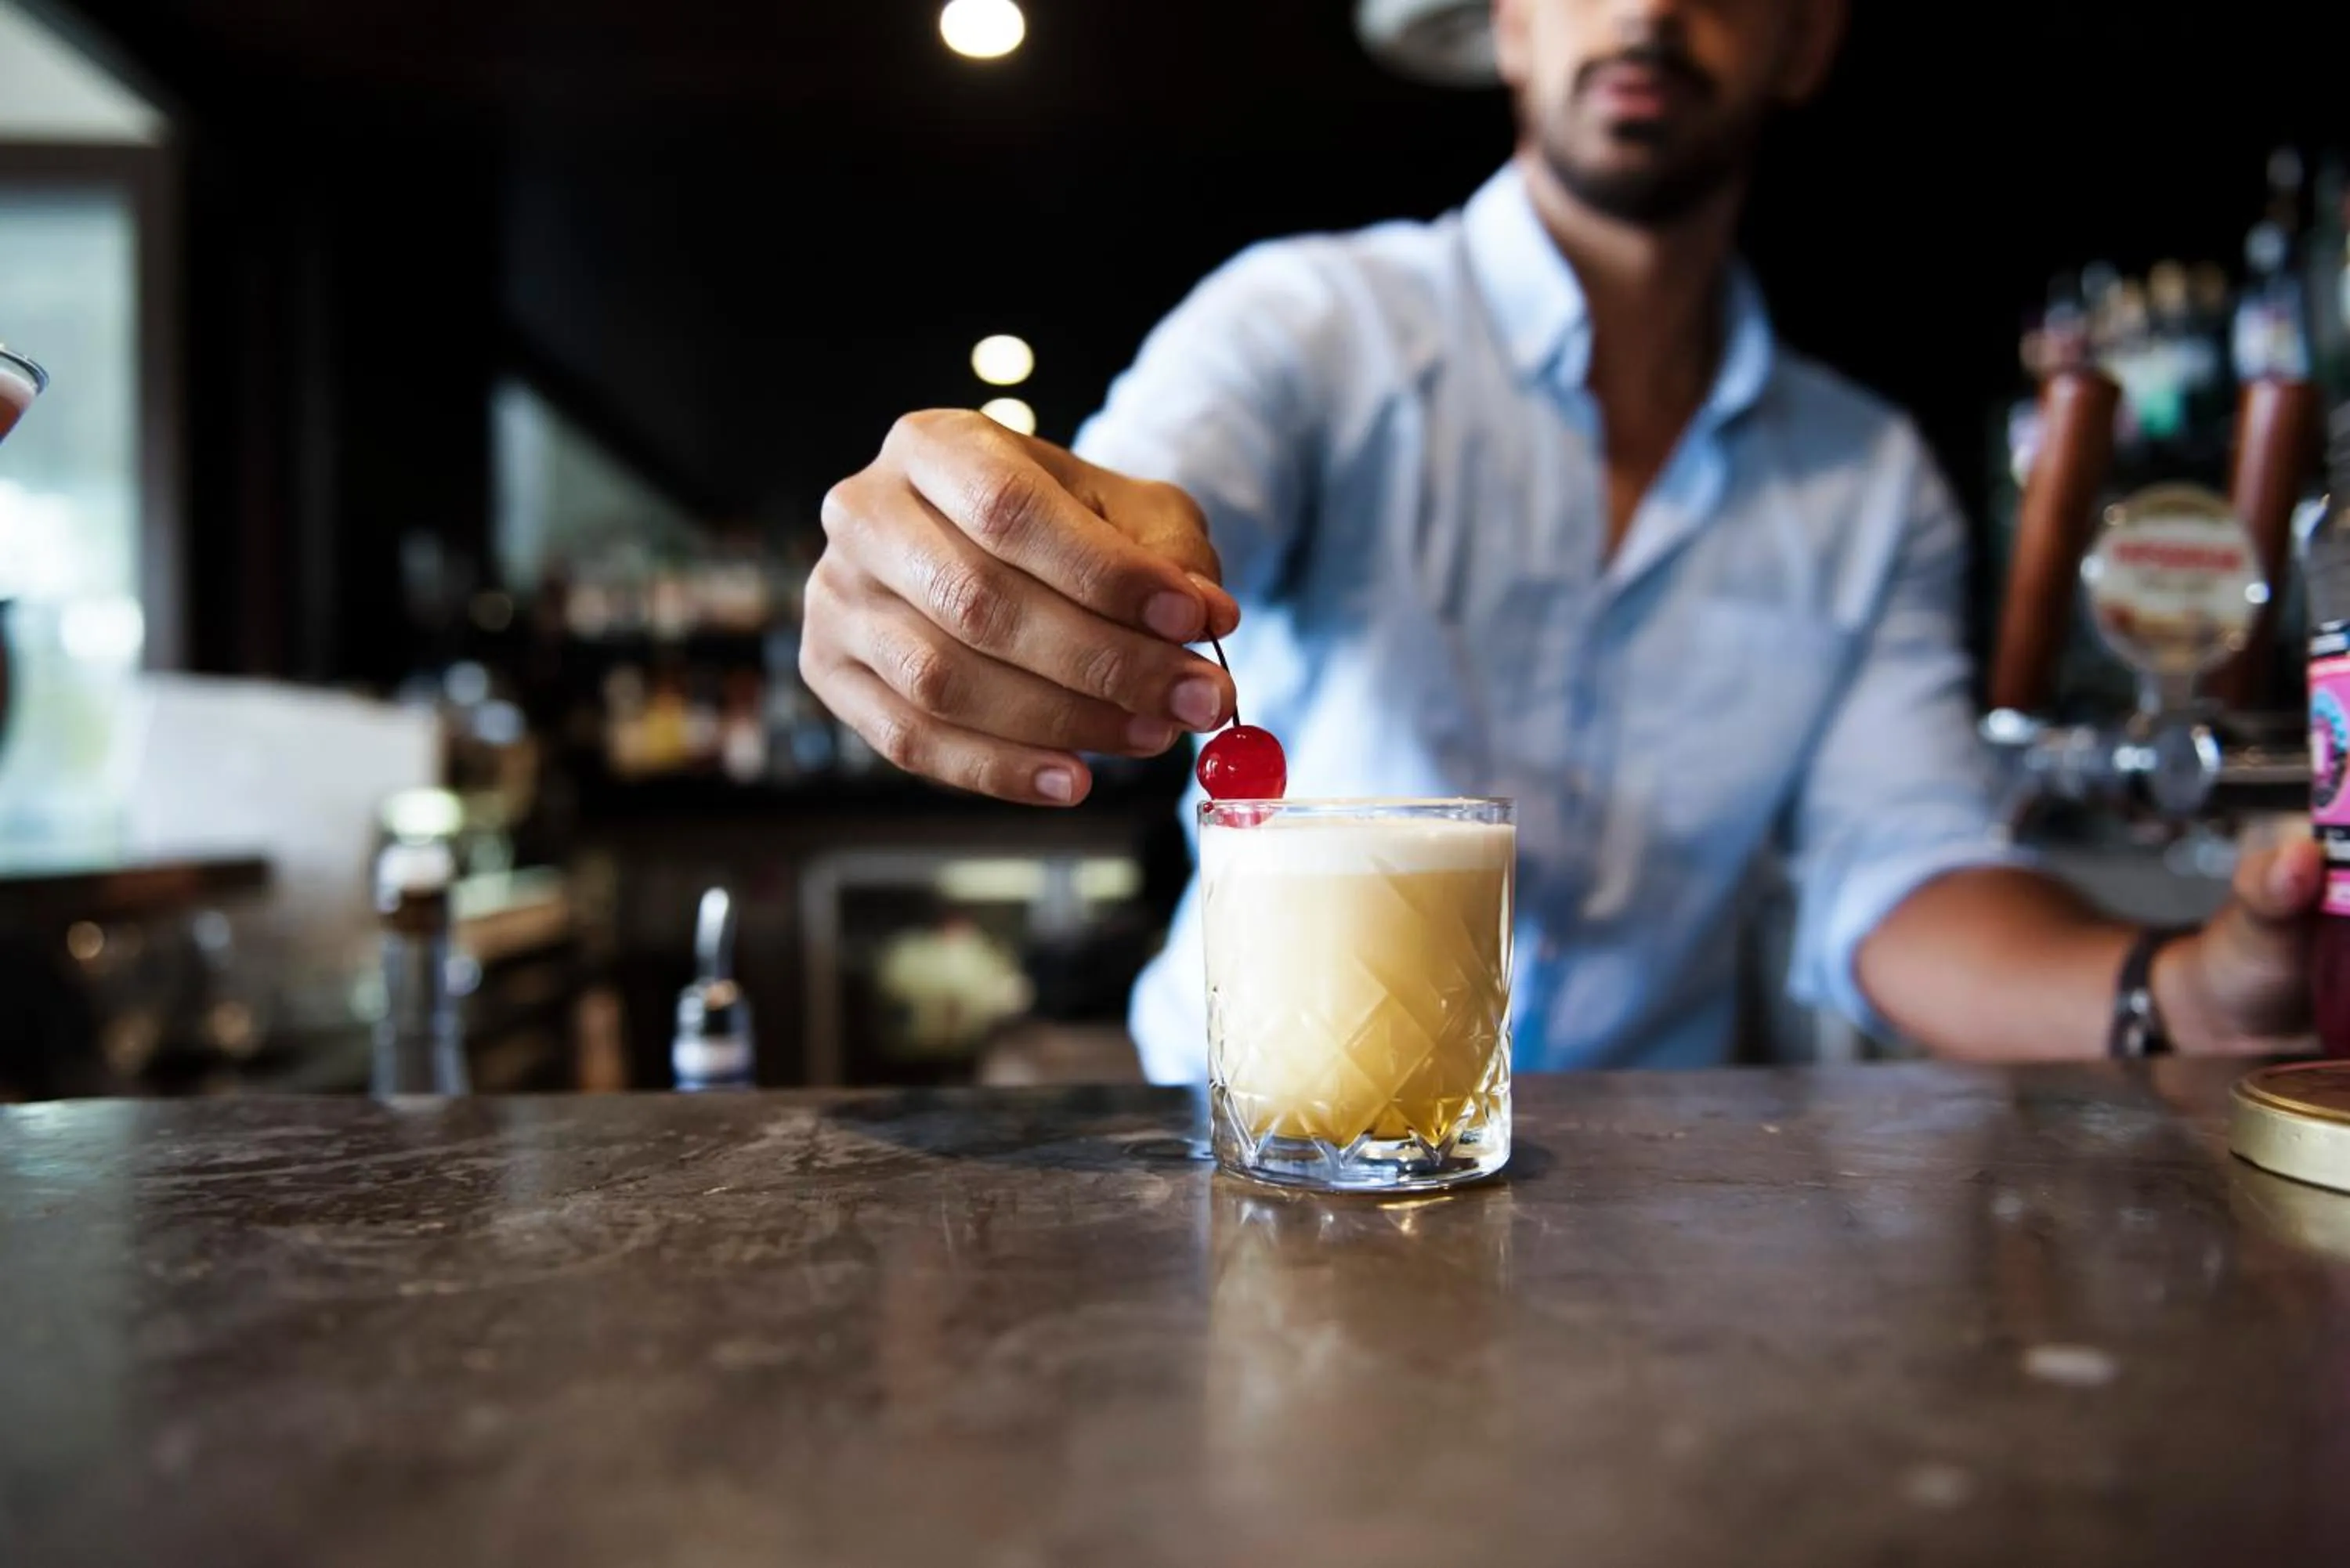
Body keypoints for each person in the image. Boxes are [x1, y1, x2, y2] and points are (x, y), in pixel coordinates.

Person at [801, 0, 2319, 1077]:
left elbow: (1901, 869)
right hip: (1248, 1148)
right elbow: (1141, 498)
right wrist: (1015, 542)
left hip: (1651, 1219)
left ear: (1806, 35)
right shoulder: (1311, 325)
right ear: (1506, 22)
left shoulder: (1868, 483)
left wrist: (2180, 989)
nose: (1649, 8)